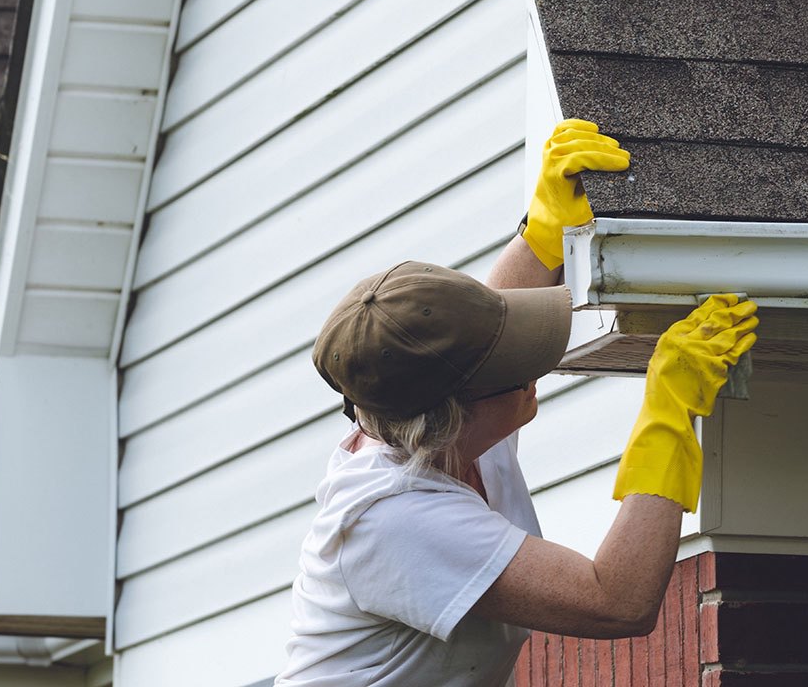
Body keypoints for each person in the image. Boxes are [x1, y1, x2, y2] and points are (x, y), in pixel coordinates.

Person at [275, 120, 758, 686]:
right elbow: (618, 601)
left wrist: (544, 229)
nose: (530, 365)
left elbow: (480, 331)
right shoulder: (396, 519)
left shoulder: (430, 429)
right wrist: (671, 410)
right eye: (506, 364)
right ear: (452, 416)